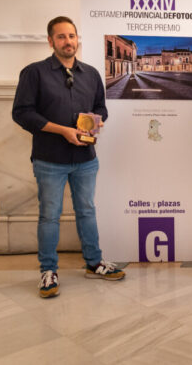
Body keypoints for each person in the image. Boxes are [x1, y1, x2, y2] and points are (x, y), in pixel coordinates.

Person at [12, 16, 125, 299]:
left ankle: (94, 263)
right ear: (51, 41)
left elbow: (101, 107)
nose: (68, 41)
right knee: (49, 216)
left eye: (72, 36)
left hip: (86, 158)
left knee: (87, 210)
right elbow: (22, 113)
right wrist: (63, 130)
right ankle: (48, 271)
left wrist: (95, 123)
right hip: (49, 159)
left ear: (78, 40)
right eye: (61, 37)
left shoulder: (91, 74)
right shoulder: (34, 73)